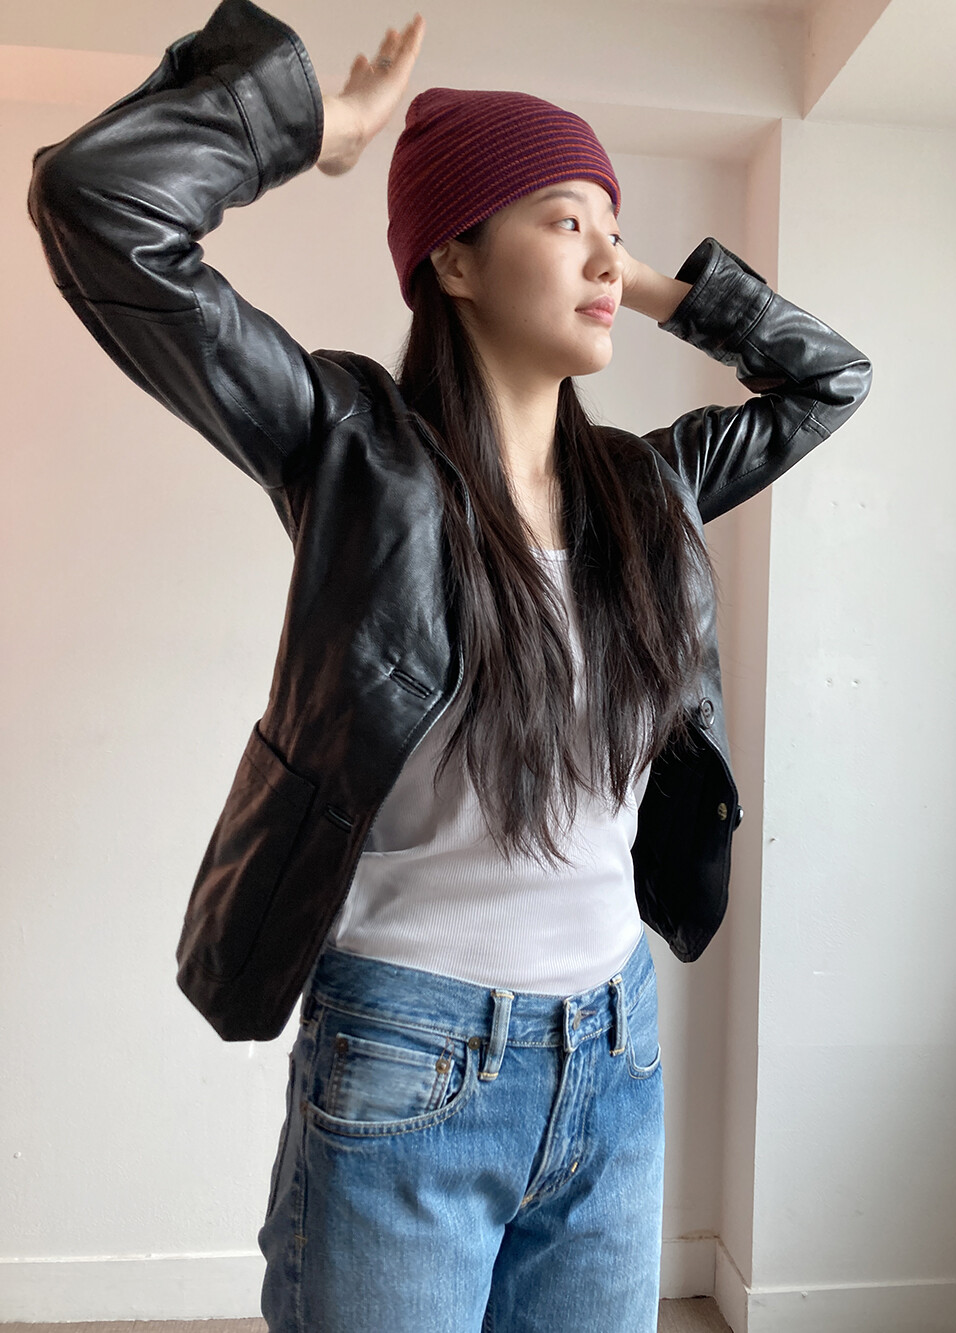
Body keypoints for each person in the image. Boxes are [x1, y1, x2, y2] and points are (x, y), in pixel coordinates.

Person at [27, 0, 872, 1328]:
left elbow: (832, 380)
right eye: (565, 220)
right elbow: (96, 205)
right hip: (409, 1059)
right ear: (456, 262)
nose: (606, 254)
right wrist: (315, 125)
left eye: (614, 225)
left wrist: (655, 283)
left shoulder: (648, 487)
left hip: (616, 1052)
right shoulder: (353, 450)